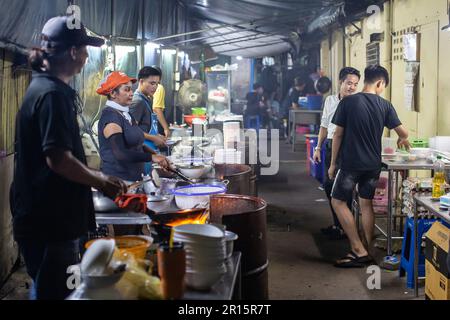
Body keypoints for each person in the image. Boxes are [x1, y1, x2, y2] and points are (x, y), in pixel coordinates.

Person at [9, 16, 128, 300]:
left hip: (41, 216)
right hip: (51, 221)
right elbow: (58, 158)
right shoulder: (52, 94)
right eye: (85, 50)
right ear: (74, 52)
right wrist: (100, 180)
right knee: (59, 293)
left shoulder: (43, 86)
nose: (87, 57)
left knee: (48, 288)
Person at [329, 65, 411, 268]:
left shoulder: (348, 102)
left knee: (338, 201)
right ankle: (368, 246)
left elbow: (337, 134)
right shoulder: (385, 105)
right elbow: (404, 132)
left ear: (366, 80)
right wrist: (403, 139)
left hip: (351, 164)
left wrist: (332, 164)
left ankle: (358, 249)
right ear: (380, 83)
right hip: (373, 165)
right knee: (366, 204)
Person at [97, 71, 170, 182]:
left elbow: (136, 142)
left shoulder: (126, 114)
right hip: (118, 182)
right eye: (126, 90)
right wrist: (151, 158)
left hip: (134, 178)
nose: (131, 93)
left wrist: (155, 155)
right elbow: (120, 153)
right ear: (113, 94)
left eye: (131, 89)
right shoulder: (111, 118)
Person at [313, 67, 361, 240]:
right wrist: (318, 147)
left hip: (349, 148)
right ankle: (338, 224)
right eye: (349, 83)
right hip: (331, 145)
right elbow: (324, 126)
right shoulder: (330, 101)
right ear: (341, 82)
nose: (352, 87)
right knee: (328, 185)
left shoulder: (358, 102)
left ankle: (345, 228)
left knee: (344, 189)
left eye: (355, 84)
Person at [130, 66, 167, 173]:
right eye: (152, 83)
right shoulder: (138, 102)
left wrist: (157, 136)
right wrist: (154, 138)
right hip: (141, 152)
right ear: (141, 81)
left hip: (147, 152)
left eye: (157, 83)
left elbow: (144, 127)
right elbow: (132, 131)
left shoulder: (146, 100)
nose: (155, 87)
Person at [151, 66, 171, 139]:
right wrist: (166, 128)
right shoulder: (159, 87)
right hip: (157, 124)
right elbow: (156, 109)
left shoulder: (148, 88)